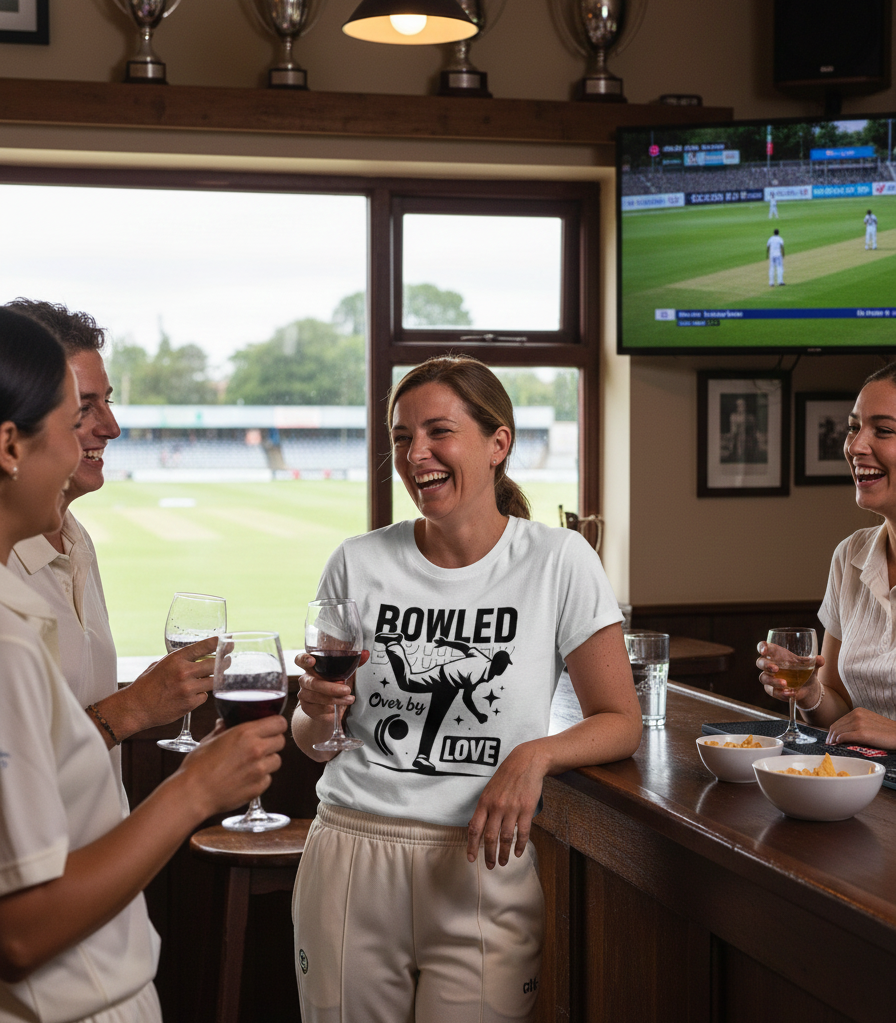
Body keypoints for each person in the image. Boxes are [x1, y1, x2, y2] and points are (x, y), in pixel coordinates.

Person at [291, 354, 642, 1022]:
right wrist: (312, 713)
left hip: (485, 859)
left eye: (437, 432)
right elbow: (314, 742)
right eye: (401, 437)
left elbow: (619, 718)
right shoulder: (356, 562)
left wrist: (533, 755)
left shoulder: (559, 560)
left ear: (498, 442)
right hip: (350, 851)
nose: (415, 453)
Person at [0, 307, 286, 1023]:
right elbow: (21, 928)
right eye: (77, 416)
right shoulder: (6, 638)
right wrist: (195, 787)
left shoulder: (72, 543)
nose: (97, 438)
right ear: (11, 443)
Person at [4, 300, 218, 789]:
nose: (111, 428)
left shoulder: (78, 540)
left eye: (109, 401)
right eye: (81, 409)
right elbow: (17, 764)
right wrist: (137, 707)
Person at [757, 361, 896, 749]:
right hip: (859, 787)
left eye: (883, 431)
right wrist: (808, 693)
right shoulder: (850, 555)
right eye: (854, 427)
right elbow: (840, 712)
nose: (854, 446)